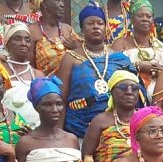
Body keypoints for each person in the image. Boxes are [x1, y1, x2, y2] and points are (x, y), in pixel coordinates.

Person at [58, 2, 136, 142]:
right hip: (79, 130)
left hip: (116, 130)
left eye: (100, 23)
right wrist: (58, 133)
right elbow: (60, 99)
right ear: (81, 28)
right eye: (90, 23)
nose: (95, 26)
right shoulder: (70, 58)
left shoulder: (118, 58)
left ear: (105, 28)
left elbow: (135, 94)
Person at [112, 0, 163, 97]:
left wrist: (162, 71)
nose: (145, 19)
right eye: (140, 16)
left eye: (148, 16)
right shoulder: (120, 43)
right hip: (129, 96)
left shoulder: (160, 46)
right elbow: (112, 69)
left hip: (159, 96)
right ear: (131, 19)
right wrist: (137, 66)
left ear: (152, 20)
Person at [2, 23, 44, 128]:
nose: (23, 43)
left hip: (36, 133)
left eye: (27, 40)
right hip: (7, 131)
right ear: (7, 43)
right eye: (17, 39)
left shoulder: (38, 75)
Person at [30, 0, 77, 76]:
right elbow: (28, 66)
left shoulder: (67, 29)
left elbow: (82, 57)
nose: (62, 5)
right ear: (44, 4)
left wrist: (76, 48)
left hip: (73, 83)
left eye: (62, 1)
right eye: (57, 1)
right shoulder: (32, 31)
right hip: (47, 85)